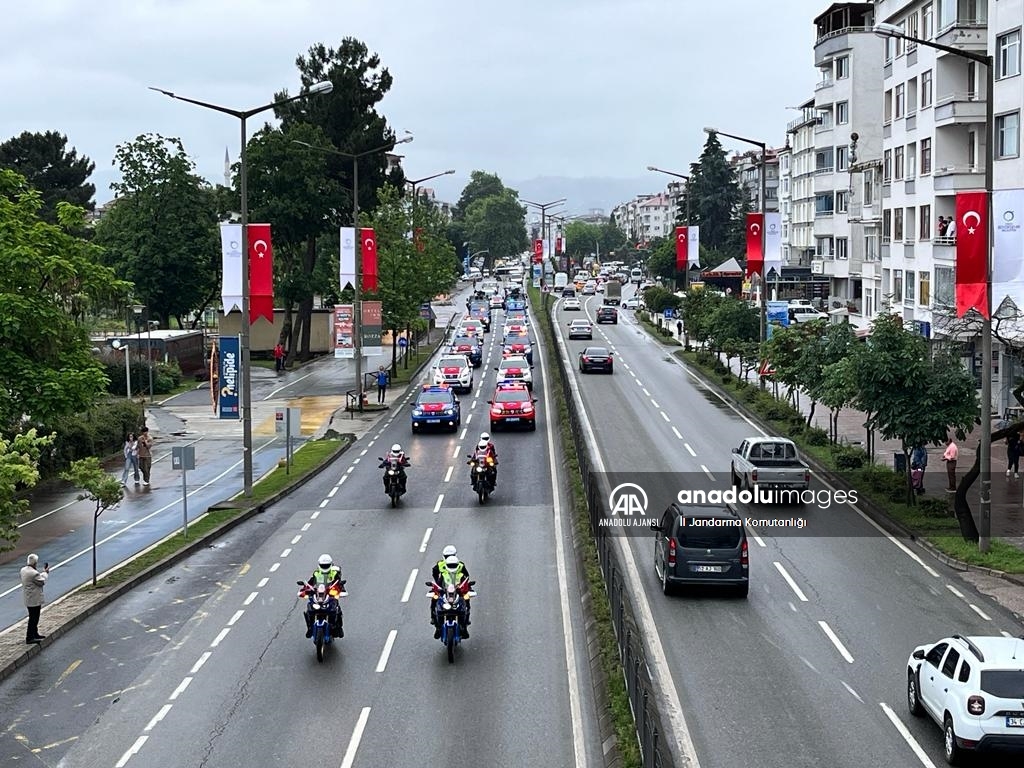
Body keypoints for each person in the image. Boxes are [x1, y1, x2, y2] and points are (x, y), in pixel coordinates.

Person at [431, 547, 471, 638]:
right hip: (444, 589)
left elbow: (466, 577)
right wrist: (437, 586)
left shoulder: (460, 565)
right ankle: (436, 623)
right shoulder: (440, 565)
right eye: (447, 556)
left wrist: (466, 587)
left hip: (458, 590)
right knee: (434, 598)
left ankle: (464, 625)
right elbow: (435, 573)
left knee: (467, 599)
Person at [304, 554, 343, 638]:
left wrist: (340, 589)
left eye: (326, 565)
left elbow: (338, 583)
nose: (324, 567)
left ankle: (338, 628)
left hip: (329, 595)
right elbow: (310, 583)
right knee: (309, 609)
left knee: (337, 609)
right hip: (318, 595)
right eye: (323, 565)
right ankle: (310, 628)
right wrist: (305, 589)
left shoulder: (334, 573)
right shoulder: (316, 573)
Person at [20, 554, 49, 644]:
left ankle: (35, 633)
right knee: (34, 618)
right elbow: (41, 581)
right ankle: (30, 637)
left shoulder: (23, 570)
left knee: (33, 616)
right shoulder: (34, 573)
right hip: (34, 599)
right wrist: (45, 572)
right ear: (35, 563)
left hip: (28, 598)